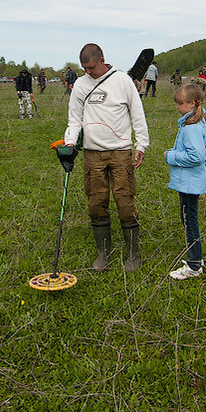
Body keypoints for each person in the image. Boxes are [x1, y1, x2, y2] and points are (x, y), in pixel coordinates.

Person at [64, 43, 149, 272]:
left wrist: (141, 143)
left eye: (91, 67)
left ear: (102, 59)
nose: (87, 72)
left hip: (121, 152)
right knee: (96, 203)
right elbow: (74, 119)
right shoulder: (81, 84)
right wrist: (70, 143)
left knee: (125, 202)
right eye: (84, 68)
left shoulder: (122, 81)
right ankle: (104, 254)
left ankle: (133, 255)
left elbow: (137, 114)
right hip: (93, 154)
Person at [165, 83, 206, 280]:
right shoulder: (193, 121)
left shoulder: (191, 127)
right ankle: (196, 259)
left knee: (189, 221)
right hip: (189, 181)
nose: (177, 107)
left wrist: (170, 156)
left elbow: (196, 156)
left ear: (192, 104)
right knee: (189, 219)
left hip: (189, 183)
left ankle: (193, 266)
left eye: (180, 103)